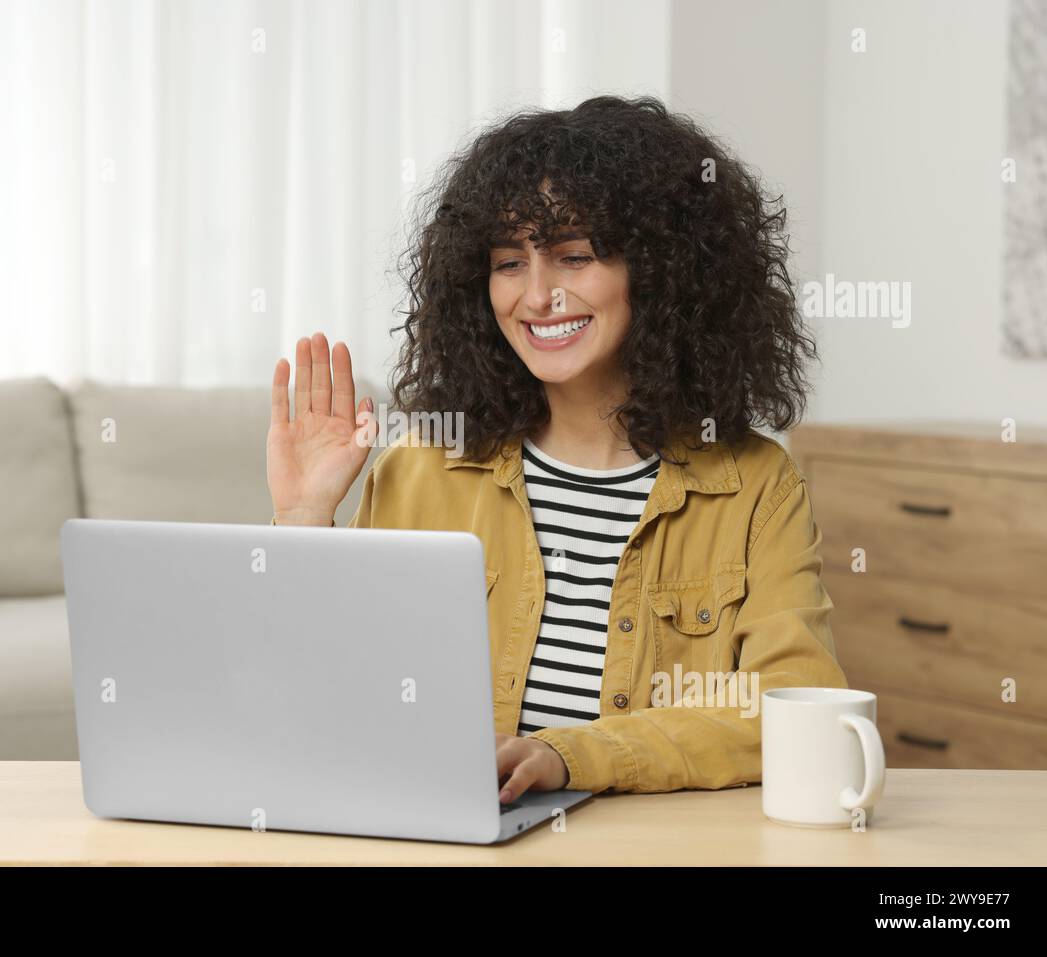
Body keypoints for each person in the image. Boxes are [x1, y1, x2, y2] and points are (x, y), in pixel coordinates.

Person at [266, 94, 848, 804]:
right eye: (509, 262)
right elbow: (325, 703)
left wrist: (570, 754)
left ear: (662, 274)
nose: (538, 295)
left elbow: (794, 710)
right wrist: (303, 517)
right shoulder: (421, 467)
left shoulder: (755, 486)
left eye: (573, 257)